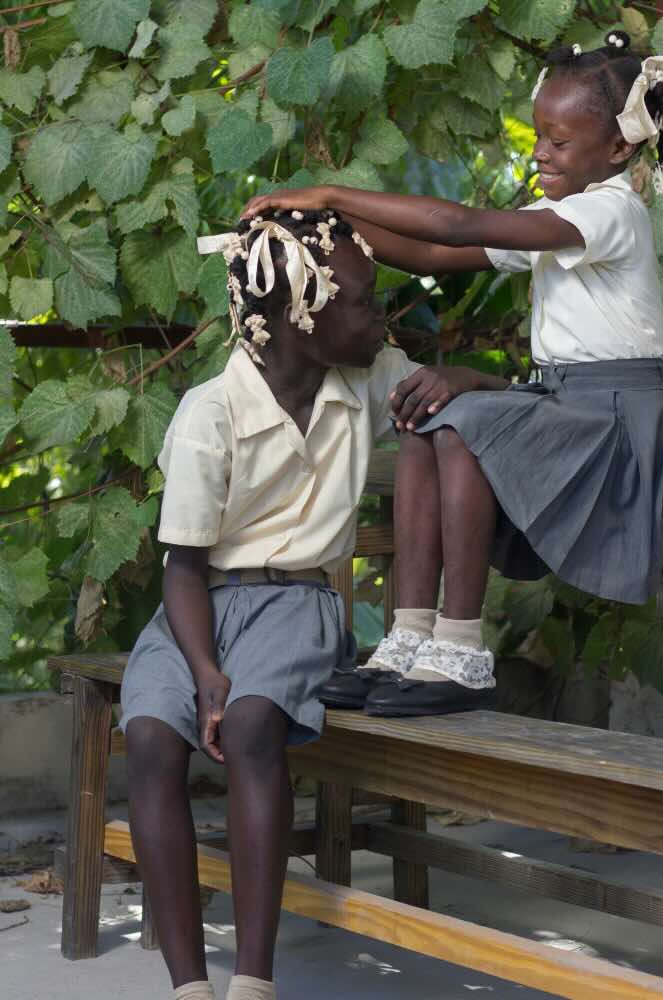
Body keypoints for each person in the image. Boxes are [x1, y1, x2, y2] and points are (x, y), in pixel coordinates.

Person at [242, 42, 663, 715]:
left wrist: (332, 190)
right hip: (573, 403)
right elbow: (435, 251)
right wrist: (327, 224)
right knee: (424, 422)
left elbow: (456, 222)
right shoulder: (563, 217)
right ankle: (410, 635)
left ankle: (462, 652)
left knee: (462, 431)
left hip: (627, 421)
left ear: (619, 150)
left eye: (559, 142)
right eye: (538, 135)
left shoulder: (607, 211)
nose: (540, 152)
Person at [122, 210, 426, 1000]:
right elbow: (183, 567)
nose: (380, 317)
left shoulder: (366, 375)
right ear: (301, 314)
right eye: (362, 302)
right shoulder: (208, 416)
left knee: (255, 726)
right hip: (196, 611)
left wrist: (467, 381)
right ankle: (190, 986)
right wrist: (205, 673)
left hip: (297, 604)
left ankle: (253, 981)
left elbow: (439, 390)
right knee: (152, 736)